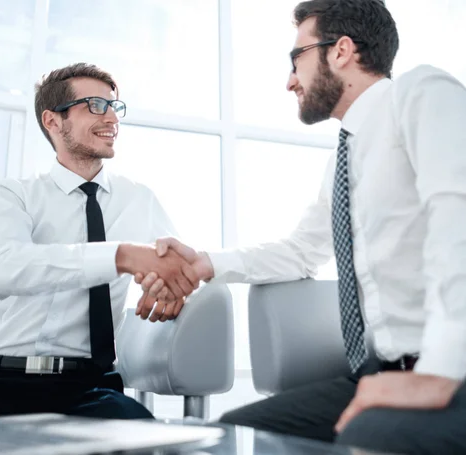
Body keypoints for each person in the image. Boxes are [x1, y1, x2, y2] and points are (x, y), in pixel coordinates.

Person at [135, 0, 466, 453]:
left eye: (296, 60)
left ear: (342, 51)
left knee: (369, 436)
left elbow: (458, 224)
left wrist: (441, 372)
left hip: (451, 370)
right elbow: (301, 252)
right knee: (233, 433)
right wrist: (203, 264)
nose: (290, 81)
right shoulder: (343, 159)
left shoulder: (422, 93)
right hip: (381, 374)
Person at [0, 62, 198, 421]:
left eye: (114, 107)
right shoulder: (13, 195)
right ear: (52, 121)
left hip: (91, 389)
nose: (112, 119)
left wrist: (173, 285)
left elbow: (181, 264)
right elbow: (6, 269)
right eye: (95, 106)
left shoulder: (139, 199)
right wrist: (121, 256)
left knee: (144, 437)